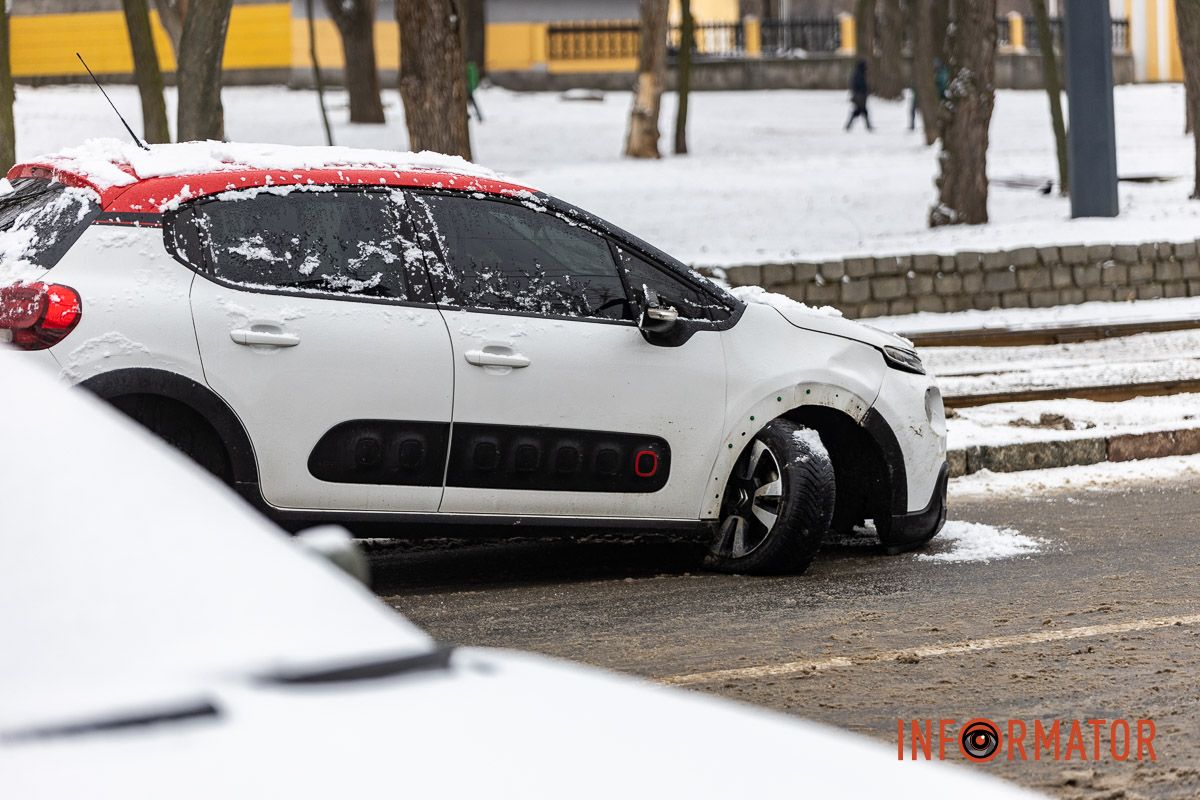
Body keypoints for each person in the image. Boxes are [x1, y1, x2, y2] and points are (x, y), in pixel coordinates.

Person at [845, 59, 872, 132]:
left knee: (860, 111)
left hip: (859, 95)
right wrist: (864, 90)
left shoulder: (858, 73)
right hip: (859, 96)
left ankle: (849, 126)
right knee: (861, 111)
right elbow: (859, 85)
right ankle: (868, 126)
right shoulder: (859, 74)